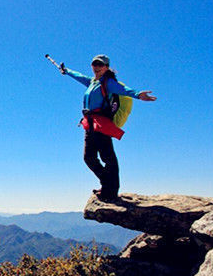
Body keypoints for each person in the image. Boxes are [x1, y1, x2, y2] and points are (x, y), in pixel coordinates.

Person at [59, 54, 156, 201]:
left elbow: (125, 90)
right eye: (94, 64)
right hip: (90, 124)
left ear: (106, 67)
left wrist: (138, 94)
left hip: (102, 123)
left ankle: (111, 190)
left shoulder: (108, 83)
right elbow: (79, 76)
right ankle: (107, 185)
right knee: (89, 157)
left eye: (100, 65)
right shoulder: (92, 82)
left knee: (108, 157)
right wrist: (66, 70)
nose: (96, 67)